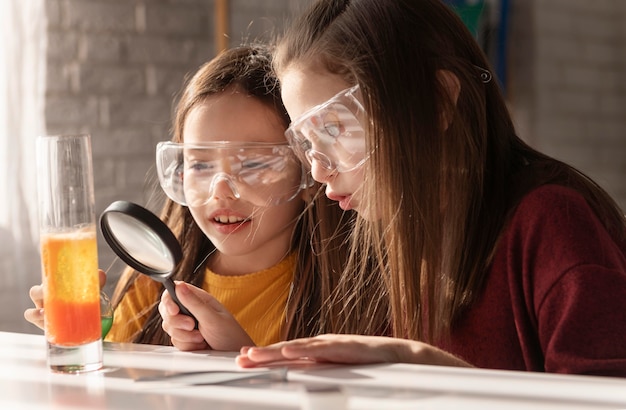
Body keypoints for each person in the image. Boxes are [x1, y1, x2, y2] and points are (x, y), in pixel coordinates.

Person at [236, 0, 626, 376]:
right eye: (307, 142)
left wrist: (430, 369)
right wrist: (231, 351)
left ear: (438, 102)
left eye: (335, 128)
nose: (319, 171)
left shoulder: (553, 224)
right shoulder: (381, 236)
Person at [25, 44, 367, 351]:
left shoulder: (349, 294)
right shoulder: (149, 286)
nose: (220, 190)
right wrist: (88, 338)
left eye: (253, 163)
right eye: (200, 164)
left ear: (308, 172)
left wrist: (237, 357)